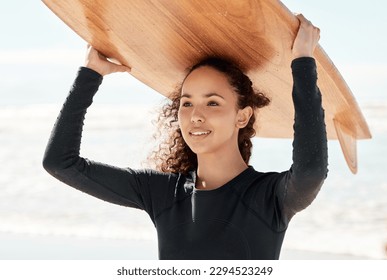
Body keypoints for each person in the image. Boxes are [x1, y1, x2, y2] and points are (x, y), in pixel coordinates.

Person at [43, 14, 328, 260]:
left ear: (242, 116)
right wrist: (90, 74)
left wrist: (303, 62)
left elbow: (311, 170)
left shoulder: (269, 196)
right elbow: (60, 163)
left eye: (213, 102)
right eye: (187, 103)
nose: (195, 115)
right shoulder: (163, 193)